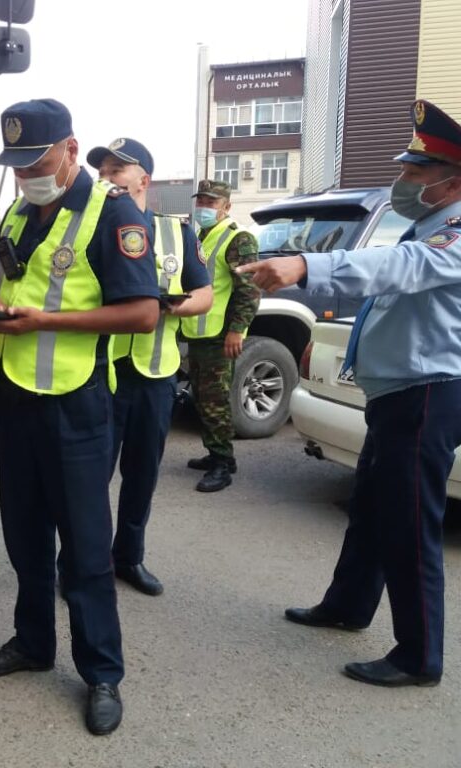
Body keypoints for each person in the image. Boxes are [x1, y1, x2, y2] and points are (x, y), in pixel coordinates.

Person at [238, 99, 461, 688]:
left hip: (428, 394)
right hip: (398, 395)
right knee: (370, 507)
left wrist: (305, 266)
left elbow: (400, 267)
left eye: (416, 173)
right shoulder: (427, 224)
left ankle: (418, 658)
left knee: (410, 523)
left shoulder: (452, 236)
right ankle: (347, 606)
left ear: (451, 182)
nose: (403, 182)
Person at [0, 99, 160, 736]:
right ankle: (32, 644)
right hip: (16, 395)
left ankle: (102, 672)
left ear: (71, 149)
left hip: (77, 402)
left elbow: (143, 313)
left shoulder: (115, 212)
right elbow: (7, 281)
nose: (26, 176)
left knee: (83, 549)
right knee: (24, 539)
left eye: (37, 161)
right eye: (17, 165)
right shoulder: (20, 209)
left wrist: (45, 321)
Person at [88, 138, 214, 596]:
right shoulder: (90, 229)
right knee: (92, 477)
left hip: (156, 377)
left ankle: (129, 558)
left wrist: (172, 307)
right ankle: (84, 562)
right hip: (103, 373)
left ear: (144, 179)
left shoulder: (175, 232)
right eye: (101, 170)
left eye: (117, 169)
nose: (106, 176)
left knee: (142, 475)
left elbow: (205, 294)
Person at [182, 179, 260, 492]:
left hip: (220, 335)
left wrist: (237, 331)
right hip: (200, 332)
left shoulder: (238, 238)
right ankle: (219, 456)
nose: (203, 207)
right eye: (200, 201)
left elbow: (250, 290)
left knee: (215, 401)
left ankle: (221, 464)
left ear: (226, 206)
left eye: (210, 202)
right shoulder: (202, 234)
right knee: (201, 398)